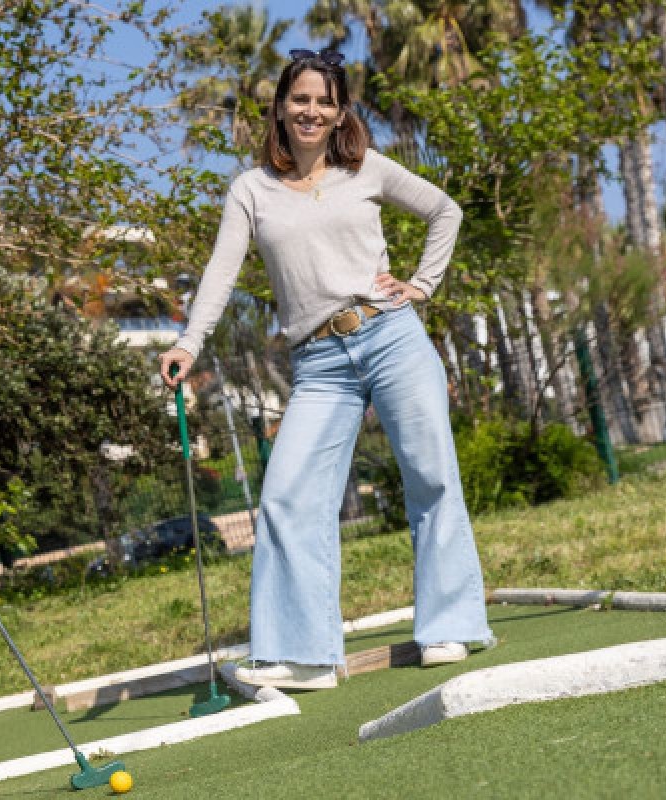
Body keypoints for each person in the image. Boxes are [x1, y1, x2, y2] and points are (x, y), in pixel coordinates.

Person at [158, 48, 493, 690]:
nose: (312, 111)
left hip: (391, 333)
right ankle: (307, 654)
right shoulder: (251, 190)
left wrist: (421, 285)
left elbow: (444, 210)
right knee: (287, 496)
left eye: (326, 102)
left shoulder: (363, 168)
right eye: (301, 100)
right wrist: (190, 345)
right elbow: (220, 274)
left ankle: (447, 626)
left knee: (430, 476)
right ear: (281, 108)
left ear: (341, 114)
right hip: (317, 362)